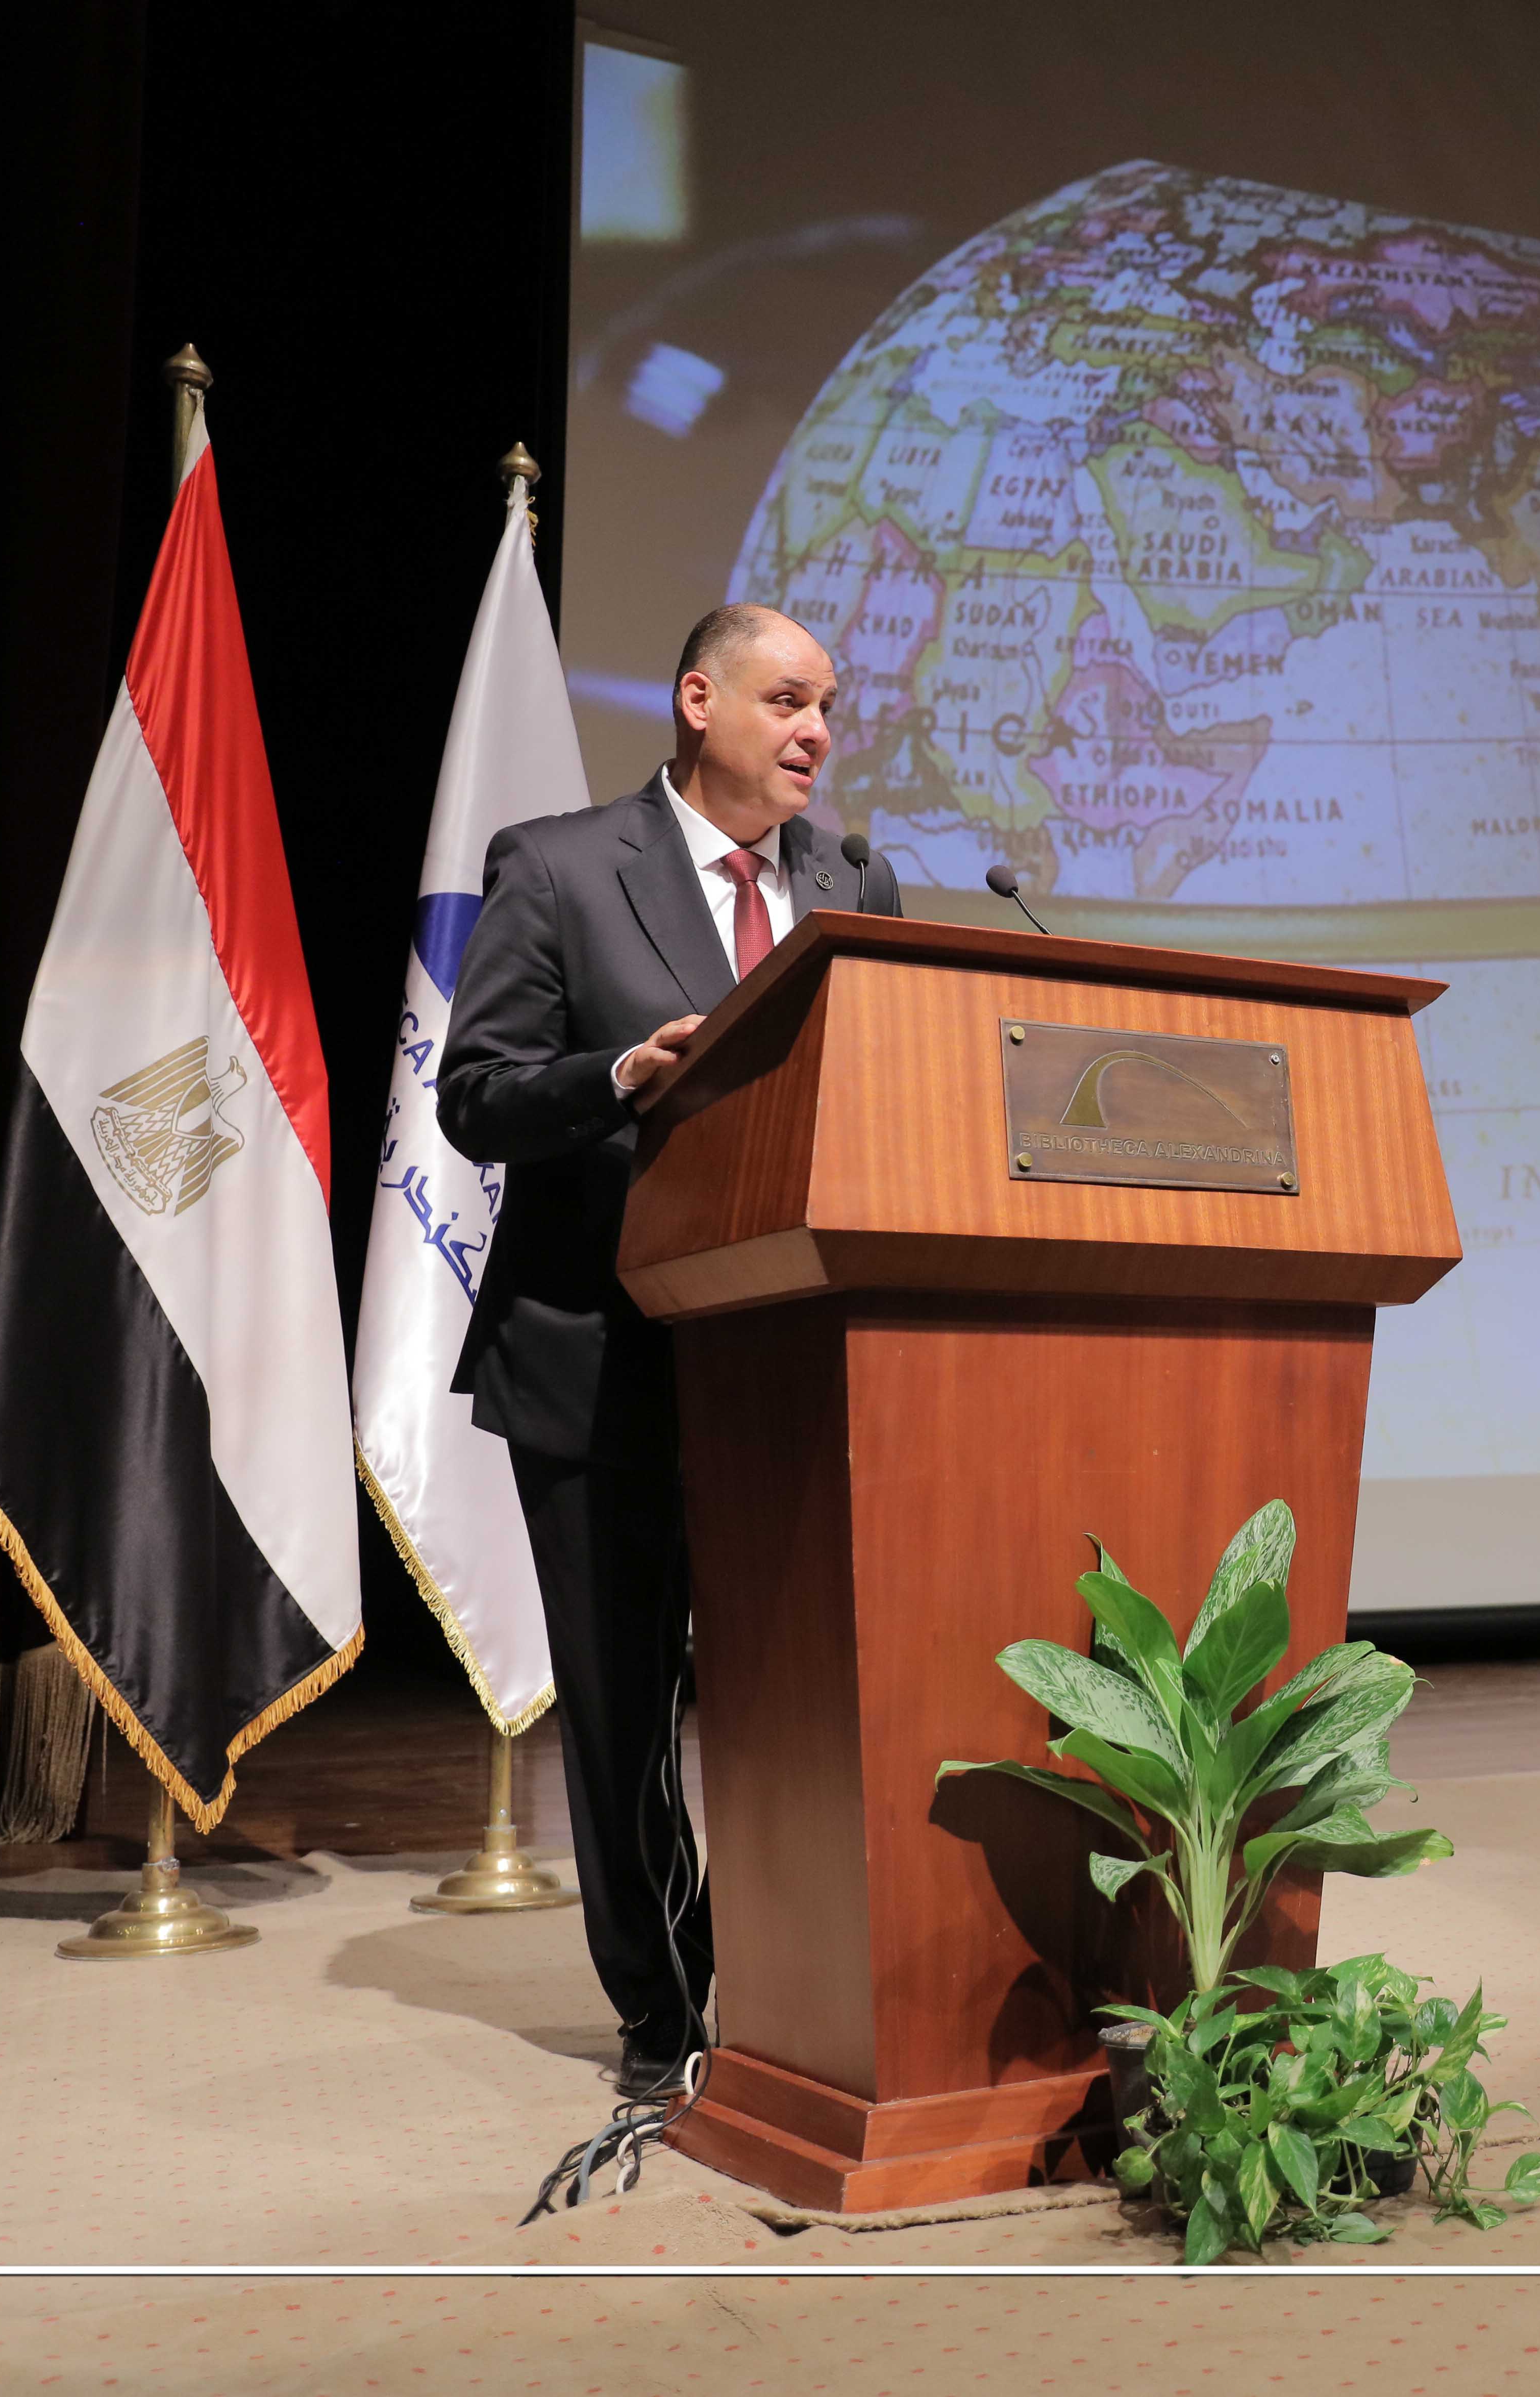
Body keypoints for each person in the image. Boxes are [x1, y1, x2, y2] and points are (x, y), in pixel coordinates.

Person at [439, 605, 903, 2093]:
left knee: (796, 1697)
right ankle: (667, 2009)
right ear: (699, 699)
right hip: (600, 1355)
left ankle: (799, 1985)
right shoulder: (561, 866)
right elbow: (476, 1096)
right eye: (787, 700)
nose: (815, 731)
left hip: (788, 1360)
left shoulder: (852, 881)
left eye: (826, 706)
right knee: (627, 1710)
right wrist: (614, 1076)